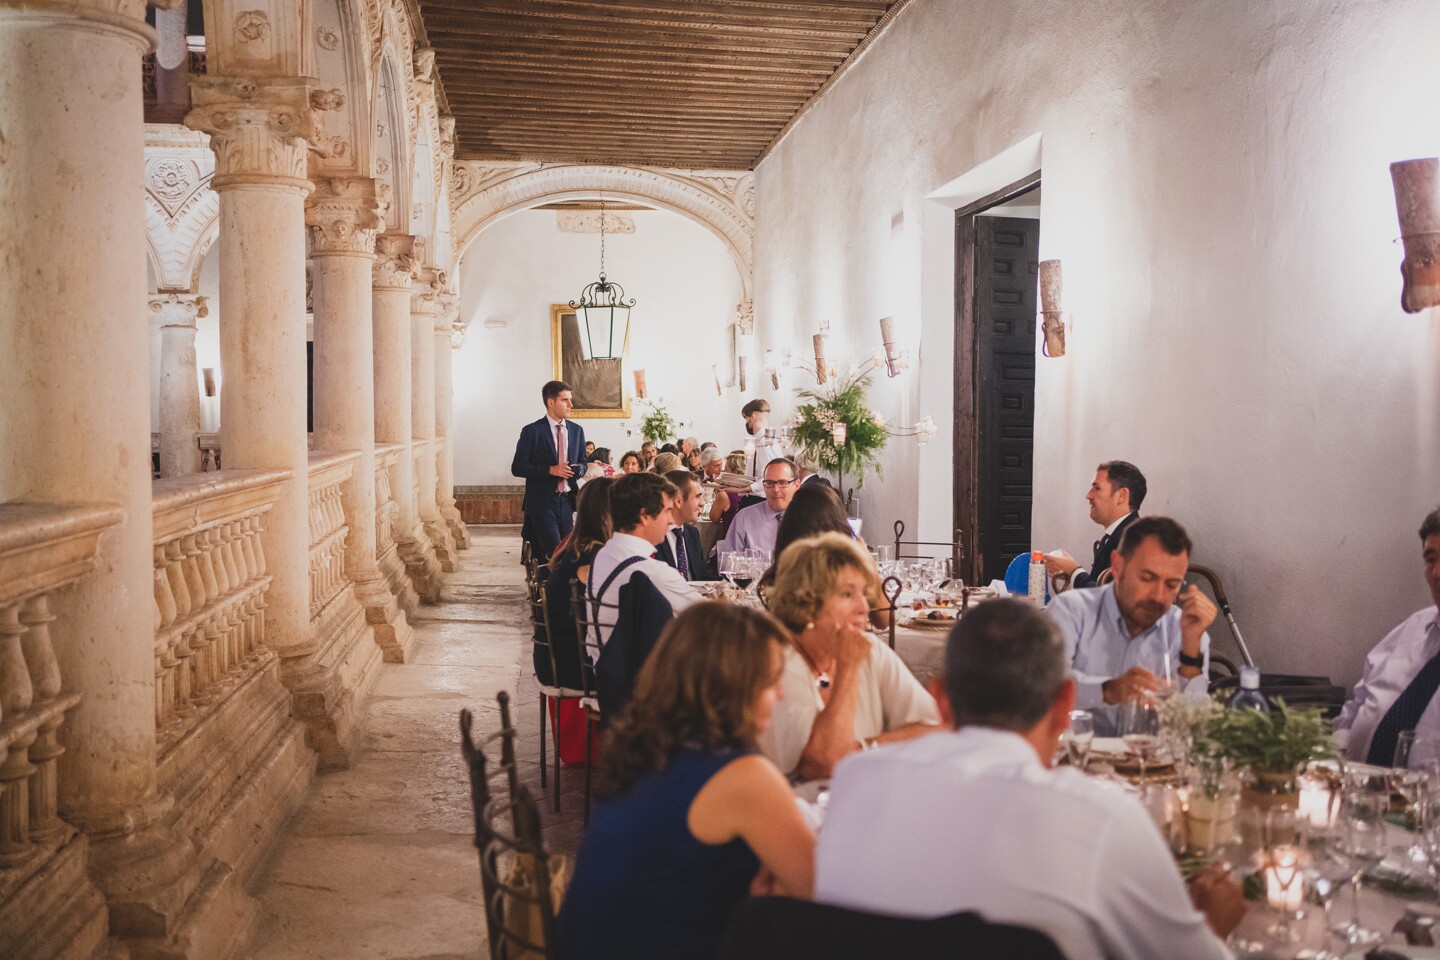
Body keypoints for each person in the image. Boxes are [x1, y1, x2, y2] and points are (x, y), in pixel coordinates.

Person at [813, 599, 1244, 960]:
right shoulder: (1102, 818)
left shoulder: (855, 783)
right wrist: (1216, 926)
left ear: (940, 701)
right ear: (1064, 705)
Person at [555, 604, 816, 960]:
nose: (782, 695)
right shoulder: (743, 776)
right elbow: (821, 894)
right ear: (733, 688)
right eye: (771, 681)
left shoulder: (646, 747)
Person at [759, 533, 940, 784]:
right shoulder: (778, 662)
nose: (864, 608)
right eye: (847, 595)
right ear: (807, 601)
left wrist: (860, 749)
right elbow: (823, 766)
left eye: (864, 594)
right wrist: (849, 667)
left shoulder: (870, 650)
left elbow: (938, 729)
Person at [1044, 516, 1217, 735]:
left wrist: (1191, 652)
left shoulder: (1184, 629)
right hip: (1076, 761)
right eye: (1147, 578)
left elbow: (1195, 730)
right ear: (1117, 565)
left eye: (1172, 584)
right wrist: (1107, 690)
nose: (1158, 596)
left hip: (1151, 764)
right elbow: (1044, 689)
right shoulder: (1072, 611)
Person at [1335, 508, 1440, 763]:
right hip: (1353, 788)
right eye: (1430, 559)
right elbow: (1359, 702)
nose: (1437, 573)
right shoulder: (1413, 628)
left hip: (1421, 801)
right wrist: (1333, 758)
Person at [587, 472, 702, 662]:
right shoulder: (652, 571)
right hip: (634, 680)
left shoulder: (604, 553)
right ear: (644, 516)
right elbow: (710, 614)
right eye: (667, 511)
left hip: (603, 667)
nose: (671, 520)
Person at [538, 477, 614, 690]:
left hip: (554, 655)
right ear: (607, 516)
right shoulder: (595, 557)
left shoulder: (574, 547)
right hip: (573, 664)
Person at [510, 380, 587, 561]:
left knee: (567, 551)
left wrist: (578, 469)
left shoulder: (577, 431)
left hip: (567, 502)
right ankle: (551, 587)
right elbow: (517, 467)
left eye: (570, 400)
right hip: (542, 502)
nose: (571, 404)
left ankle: (557, 587)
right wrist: (549, 470)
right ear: (551, 402)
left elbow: (583, 462)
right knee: (554, 553)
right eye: (565, 400)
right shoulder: (532, 431)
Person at [1044, 460, 1145, 589]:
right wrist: (1071, 574)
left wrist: (1074, 571)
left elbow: (1109, 601)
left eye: (1096, 488)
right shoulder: (1119, 535)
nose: (1088, 495)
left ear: (1121, 496)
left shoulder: (1134, 540)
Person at [717, 458, 796, 558]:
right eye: (770, 483)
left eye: (783, 483)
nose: (776, 490)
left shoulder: (809, 519)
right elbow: (729, 563)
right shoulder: (744, 518)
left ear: (796, 485)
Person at [656, 470, 719, 581]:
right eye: (698, 496)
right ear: (678, 501)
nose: (702, 503)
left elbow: (704, 574)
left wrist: (731, 586)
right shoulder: (654, 536)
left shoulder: (691, 532)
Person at [741, 398, 785, 477]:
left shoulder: (765, 442)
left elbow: (769, 477)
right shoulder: (762, 440)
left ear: (752, 418)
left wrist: (743, 489)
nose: (746, 423)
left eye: (746, 418)